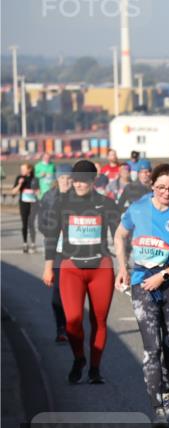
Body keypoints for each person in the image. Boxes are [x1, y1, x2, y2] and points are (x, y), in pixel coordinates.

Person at [114, 164, 169, 428]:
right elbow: (120, 233)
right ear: (152, 186)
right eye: (161, 187)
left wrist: (163, 276)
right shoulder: (139, 209)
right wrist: (122, 267)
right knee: (152, 349)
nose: (167, 192)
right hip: (141, 282)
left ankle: (163, 390)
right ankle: (158, 409)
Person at [39, 160, 121, 384]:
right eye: (77, 180)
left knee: (99, 321)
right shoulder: (61, 203)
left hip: (101, 268)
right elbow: (51, 237)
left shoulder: (106, 203)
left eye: (85, 180)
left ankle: (95, 368)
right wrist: (48, 267)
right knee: (73, 320)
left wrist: (124, 267)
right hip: (71, 267)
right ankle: (79, 358)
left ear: (93, 181)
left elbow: (119, 237)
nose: (80, 184)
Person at [38, 164, 73, 342]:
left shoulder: (81, 197)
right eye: (62, 178)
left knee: (74, 291)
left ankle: (72, 326)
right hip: (56, 249)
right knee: (58, 293)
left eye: (69, 178)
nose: (66, 182)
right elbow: (41, 224)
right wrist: (54, 231)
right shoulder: (49, 197)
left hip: (77, 251)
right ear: (57, 180)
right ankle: (61, 327)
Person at [10, 163, 40, 253]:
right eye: (21, 169)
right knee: (25, 224)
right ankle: (25, 243)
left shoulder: (35, 178)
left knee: (32, 224)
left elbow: (38, 191)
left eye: (23, 169)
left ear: (29, 169)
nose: (21, 171)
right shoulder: (19, 178)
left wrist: (37, 193)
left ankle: (33, 244)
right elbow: (13, 192)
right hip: (23, 204)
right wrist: (19, 184)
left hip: (33, 204)